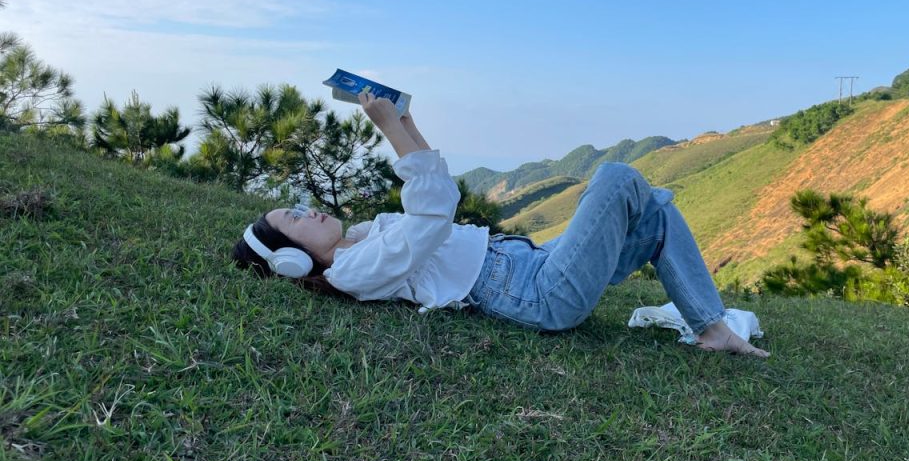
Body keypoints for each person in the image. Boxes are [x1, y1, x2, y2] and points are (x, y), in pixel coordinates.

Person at [232, 93, 769, 357]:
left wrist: (409, 124)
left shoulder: (364, 237)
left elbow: (435, 193)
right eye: (295, 220)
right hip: (541, 296)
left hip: (534, 261)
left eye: (299, 207)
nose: (310, 212)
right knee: (616, 177)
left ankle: (712, 328)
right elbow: (434, 211)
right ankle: (711, 325)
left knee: (652, 211)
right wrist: (392, 132)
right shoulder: (354, 271)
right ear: (291, 260)